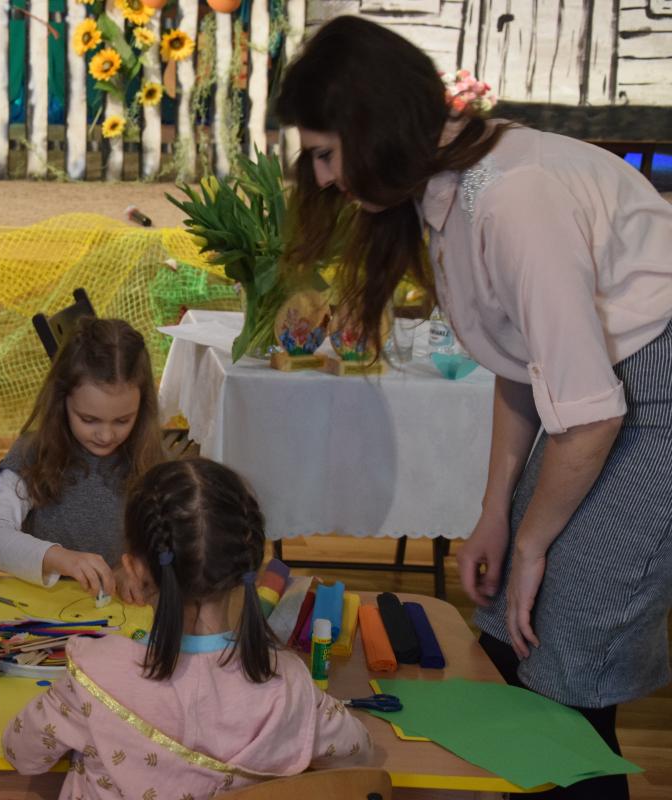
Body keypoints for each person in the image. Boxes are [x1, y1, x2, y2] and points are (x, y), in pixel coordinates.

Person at [276, 16, 672, 799]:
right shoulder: (451, 191)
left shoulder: (511, 198)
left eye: (325, 153)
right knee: (510, 641)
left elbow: (592, 412)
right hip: (603, 400)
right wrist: (496, 513)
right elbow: (520, 365)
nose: (319, 178)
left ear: (375, 128)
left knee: (565, 670)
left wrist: (531, 543)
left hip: (645, 397)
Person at [3, 458, 370, 798]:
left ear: (135, 569)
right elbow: (358, 752)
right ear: (250, 567)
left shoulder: (96, 672)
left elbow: (22, 753)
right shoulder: (287, 685)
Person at [0, 318, 165, 603]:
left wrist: (139, 568)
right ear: (61, 401)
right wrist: (60, 558)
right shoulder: (33, 455)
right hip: (43, 606)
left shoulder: (149, 458)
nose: (106, 435)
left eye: (123, 420)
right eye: (89, 419)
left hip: (115, 610)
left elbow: (169, 539)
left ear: (142, 408)